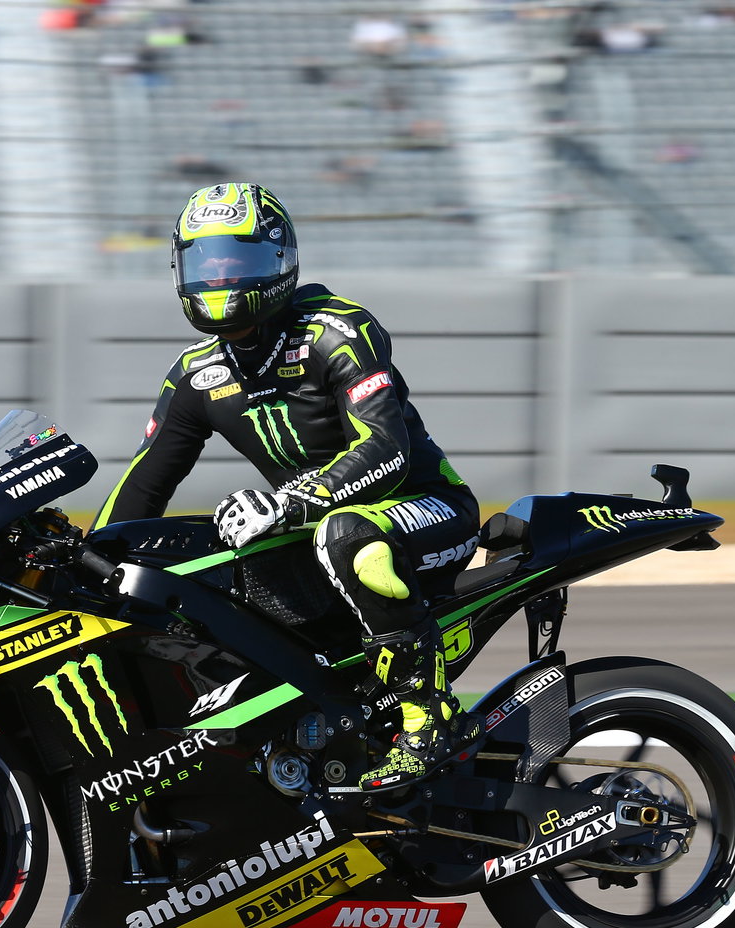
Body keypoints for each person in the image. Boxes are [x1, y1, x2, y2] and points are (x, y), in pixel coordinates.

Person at [92, 183, 482, 791]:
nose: (220, 280)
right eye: (205, 264)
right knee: (193, 563)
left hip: (427, 509)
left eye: (236, 263)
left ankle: (429, 719)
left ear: (278, 264)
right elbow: (143, 485)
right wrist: (89, 563)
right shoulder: (197, 375)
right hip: (312, 532)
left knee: (348, 536)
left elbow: (388, 449)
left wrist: (290, 502)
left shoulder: (338, 331)